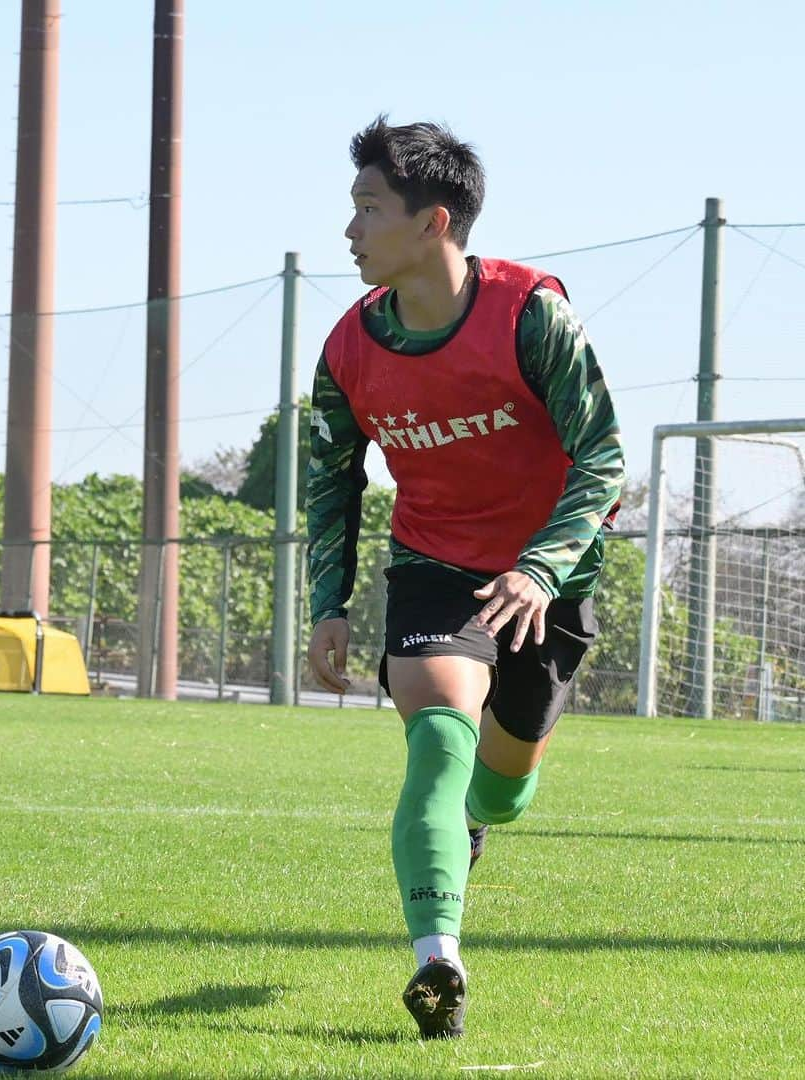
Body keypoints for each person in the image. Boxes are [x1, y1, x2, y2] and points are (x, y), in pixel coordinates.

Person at [306, 118, 624, 1038]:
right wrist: (329, 603)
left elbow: (601, 458)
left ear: (433, 221)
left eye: (369, 208)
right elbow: (331, 479)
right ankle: (437, 960)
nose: (351, 230)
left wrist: (536, 568)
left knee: (502, 785)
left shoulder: (532, 314)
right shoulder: (347, 348)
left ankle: (481, 818)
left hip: (550, 578)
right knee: (438, 740)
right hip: (434, 569)